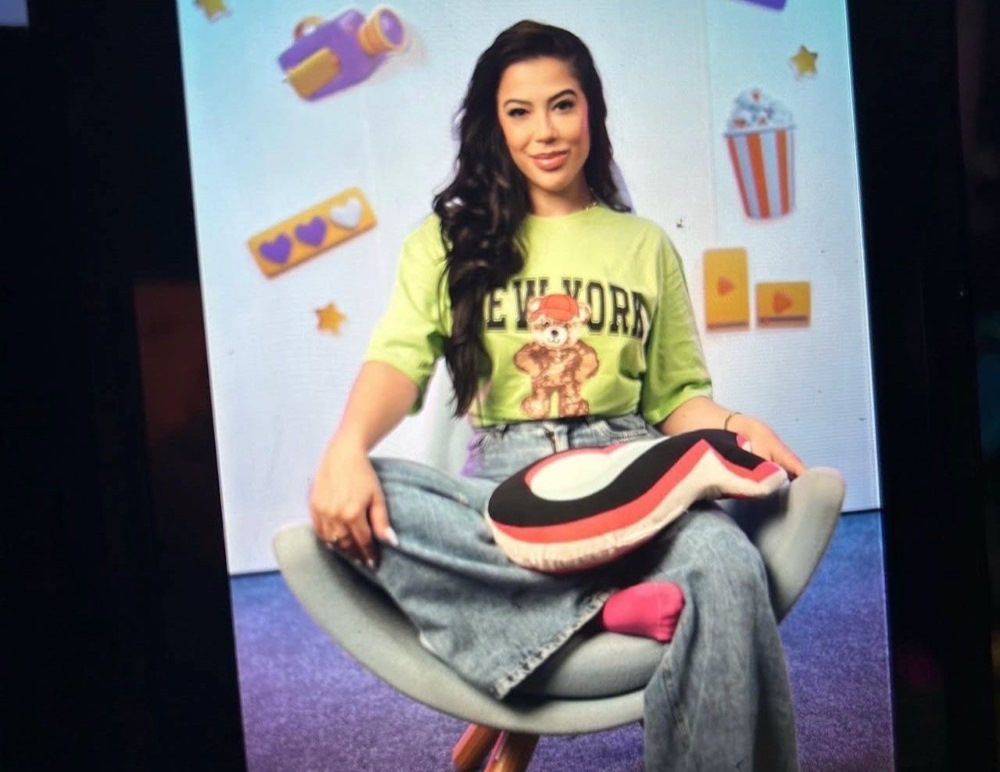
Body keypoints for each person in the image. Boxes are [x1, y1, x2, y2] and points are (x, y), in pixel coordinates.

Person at [309, 19, 806, 770]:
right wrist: (346, 447)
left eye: (563, 105)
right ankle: (600, 609)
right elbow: (397, 361)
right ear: (496, 126)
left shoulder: (643, 244)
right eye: (520, 111)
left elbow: (676, 397)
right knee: (362, 499)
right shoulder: (445, 241)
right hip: (505, 488)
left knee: (729, 563)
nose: (545, 131)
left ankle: (567, 610)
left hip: (629, 467)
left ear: (591, 113)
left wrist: (738, 424)